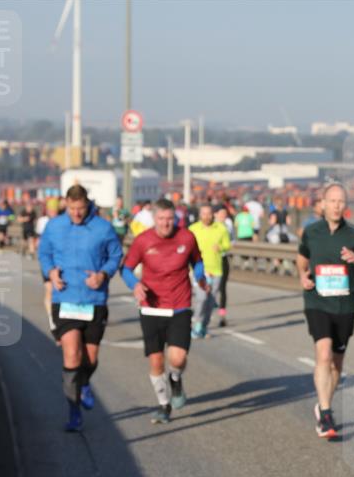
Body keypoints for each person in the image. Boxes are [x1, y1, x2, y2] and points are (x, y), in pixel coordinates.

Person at [296, 182, 354, 438]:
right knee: (323, 354)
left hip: (344, 305)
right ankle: (325, 412)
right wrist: (302, 275)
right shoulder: (311, 232)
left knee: (336, 363)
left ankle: (324, 404)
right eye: (332, 201)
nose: (336, 206)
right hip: (317, 301)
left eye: (341, 202)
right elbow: (302, 257)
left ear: (346, 205)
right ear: (323, 203)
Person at [38, 184, 124, 432]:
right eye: (72, 208)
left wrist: (103, 275)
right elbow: (44, 254)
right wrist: (50, 271)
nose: (76, 214)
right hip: (64, 298)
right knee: (71, 355)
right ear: (66, 204)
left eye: (81, 209)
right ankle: (73, 410)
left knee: (91, 357)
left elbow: (115, 255)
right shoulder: (54, 226)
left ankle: (84, 384)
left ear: (88, 204)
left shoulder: (102, 227)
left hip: (93, 299)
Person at [121, 198, 206, 424]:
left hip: (179, 305)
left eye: (170, 219)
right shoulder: (143, 240)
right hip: (151, 308)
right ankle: (163, 405)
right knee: (156, 360)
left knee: (177, 358)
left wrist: (200, 276)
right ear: (154, 219)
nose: (166, 224)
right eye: (161, 219)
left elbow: (197, 261)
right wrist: (135, 285)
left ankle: (176, 378)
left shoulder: (186, 237)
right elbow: (127, 269)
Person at [188, 203, 232, 339]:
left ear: (212, 214)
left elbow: (228, 245)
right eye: (203, 214)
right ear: (200, 215)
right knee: (201, 298)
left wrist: (220, 247)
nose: (206, 216)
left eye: (208, 213)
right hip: (199, 269)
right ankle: (196, 323)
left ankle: (203, 327)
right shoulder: (193, 229)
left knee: (210, 301)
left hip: (216, 269)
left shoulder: (221, 229)